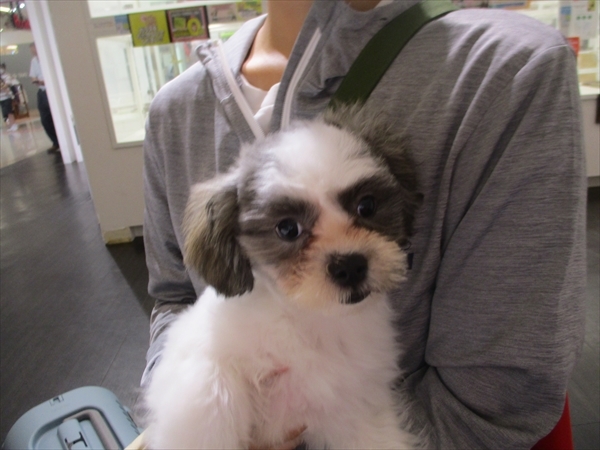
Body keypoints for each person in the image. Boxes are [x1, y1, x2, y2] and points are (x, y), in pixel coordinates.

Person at [141, 0, 587, 448]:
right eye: (291, 231)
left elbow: (491, 406)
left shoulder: (509, 69)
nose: (344, 252)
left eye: (366, 208)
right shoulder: (173, 111)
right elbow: (174, 296)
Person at [29, 43, 59, 153]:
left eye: (35, 50)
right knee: (45, 119)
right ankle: (55, 141)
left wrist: (44, 81)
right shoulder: (34, 61)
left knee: (56, 117)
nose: (34, 52)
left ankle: (62, 140)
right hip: (42, 91)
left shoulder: (48, 58)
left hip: (51, 90)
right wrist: (36, 81)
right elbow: (32, 75)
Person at [0, 63, 19, 132]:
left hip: (7, 96)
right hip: (1, 98)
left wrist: (2, 87)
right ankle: (10, 125)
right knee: (5, 112)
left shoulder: (6, 75)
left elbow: (7, 84)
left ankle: (13, 124)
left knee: (9, 111)